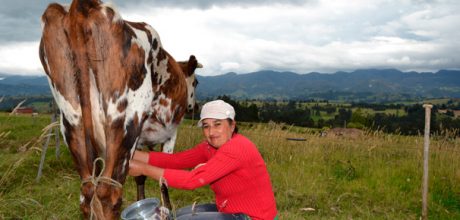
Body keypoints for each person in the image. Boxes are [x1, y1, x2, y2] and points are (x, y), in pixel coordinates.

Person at [129, 100, 278, 220]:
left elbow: (191, 180)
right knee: (174, 215)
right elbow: (176, 161)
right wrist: (128, 154)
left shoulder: (236, 148)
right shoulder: (209, 147)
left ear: (232, 126)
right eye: (206, 126)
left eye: (217, 124)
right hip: (230, 209)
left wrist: (143, 169)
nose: (211, 132)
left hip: (253, 217)